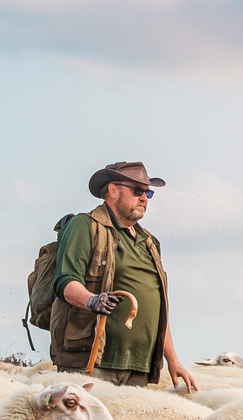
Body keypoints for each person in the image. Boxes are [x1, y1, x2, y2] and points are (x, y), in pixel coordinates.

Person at [49, 162, 198, 391]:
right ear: (113, 190)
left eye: (148, 192)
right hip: (92, 361)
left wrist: (173, 360)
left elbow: (159, 307)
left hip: (139, 366)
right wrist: (92, 300)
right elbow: (65, 281)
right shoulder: (85, 226)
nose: (144, 198)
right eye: (138, 190)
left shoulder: (149, 242)